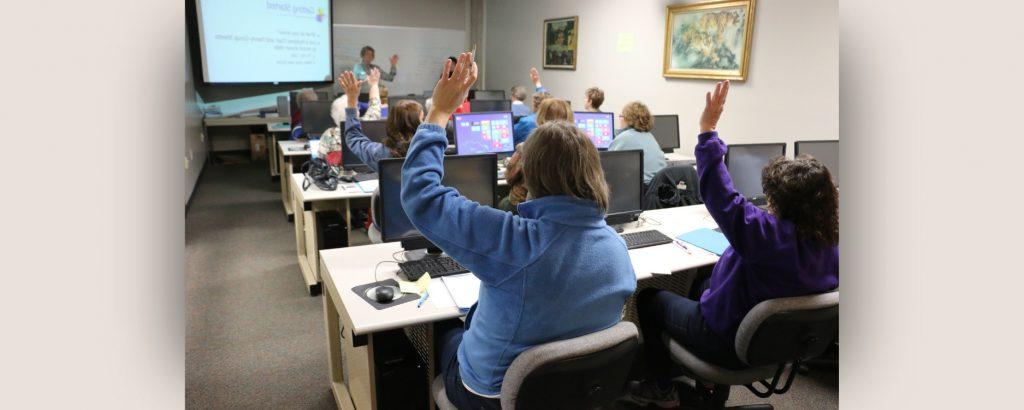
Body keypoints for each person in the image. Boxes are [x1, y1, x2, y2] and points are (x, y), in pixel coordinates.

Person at [401, 53, 635, 409]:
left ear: (530, 174)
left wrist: (438, 113)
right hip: (575, 391)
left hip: (494, 394)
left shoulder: (513, 240)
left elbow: (422, 196)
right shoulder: (616, 247)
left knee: (442, 331)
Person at [627, 80, 840, 407]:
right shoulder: (832, 241)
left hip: (725, 341)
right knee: (700, 282)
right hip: (778, 348)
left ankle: (661, 387)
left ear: (778, 201)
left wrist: (707, 129)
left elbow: (719, 192)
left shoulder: (765, 235)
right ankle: (704, 384)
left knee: (650, 298)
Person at [498, 98, 573, 213]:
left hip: (525, 206)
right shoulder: (576, 151)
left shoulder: (527, 147)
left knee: (503, 203)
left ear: (540, 117)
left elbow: (509, 176)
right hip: (561, 209)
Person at [318, 68, 383, 173]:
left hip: (338, 182)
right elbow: (375, 106)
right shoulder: (366, 125)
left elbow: (320, 160)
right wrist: (374, 84)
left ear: (333, 115)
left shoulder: (329, 134)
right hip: (367, 177)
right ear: (356, 112)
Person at [609, 101, 667, 186]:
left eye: (621, 116)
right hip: (655, 189)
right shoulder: (649, 136)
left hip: (641, 190)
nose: (620, 119)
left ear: (627, 119)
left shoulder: (625, 137)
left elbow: (607, 166)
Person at [512, 67, 551, 146]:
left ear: (534, 104)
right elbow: (545, 98)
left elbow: (509, 135)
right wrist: (537, 83)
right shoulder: (555, 121)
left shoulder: (527, 122)